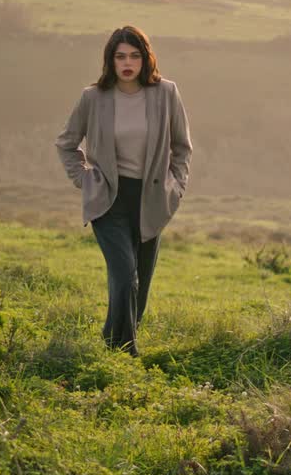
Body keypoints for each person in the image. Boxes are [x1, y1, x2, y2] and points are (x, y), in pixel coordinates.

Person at [54, 25, 192, 356]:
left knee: (139, 284)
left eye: (134, 56)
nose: (127, 63)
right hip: (108, 197)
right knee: (124, 275)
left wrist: (177, 185)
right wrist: (84, 179)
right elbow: (67, 143)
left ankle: (109, 339)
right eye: (120, 57)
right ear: (110, 61)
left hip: (151, 198)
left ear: (145, 59)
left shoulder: (166, 93)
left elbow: (181, 147)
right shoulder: (93, 97)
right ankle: (126, 352)